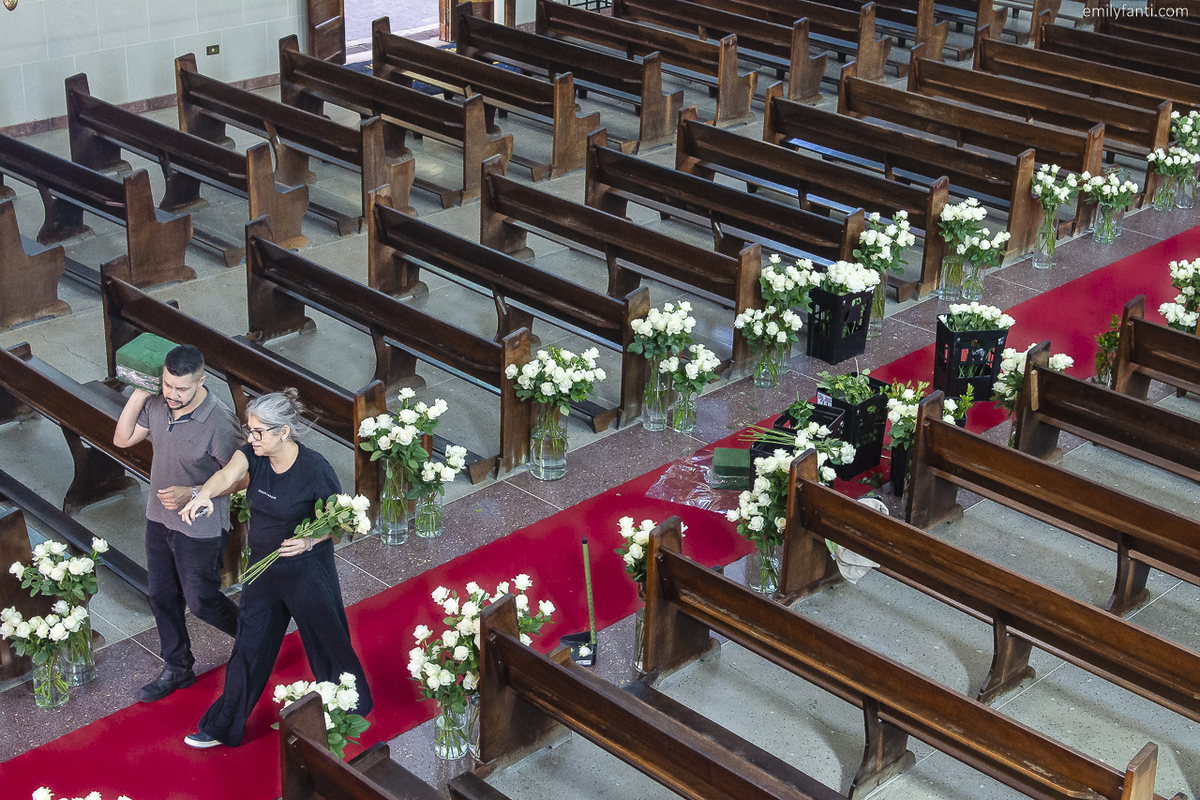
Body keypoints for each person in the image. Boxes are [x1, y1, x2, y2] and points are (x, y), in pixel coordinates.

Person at [177, 389, 372, 749]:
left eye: (258, 432)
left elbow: (341, 521)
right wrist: (203, 494)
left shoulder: (315, 469)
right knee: (249, 648)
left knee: (327, 642)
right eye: (249, 430)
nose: (251, 438)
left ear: (283, 432)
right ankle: (222, 726)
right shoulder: (254, 455)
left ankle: (351, 708)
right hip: (263, 573)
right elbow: (228, 474)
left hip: (307, 571)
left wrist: (311, 541)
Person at [114, 344, 243, 703]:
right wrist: (142, 390)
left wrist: (195, 492)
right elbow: (122, 439)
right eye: (167, 384)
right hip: (159, 518)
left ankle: (253, 637)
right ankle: (177, 667)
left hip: (201, 527)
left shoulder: (218, 421)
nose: (172, 394)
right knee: (161, 596)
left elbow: (246, 476)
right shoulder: (158, 402)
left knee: (201, 601)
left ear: (201, 380)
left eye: (181, 388)